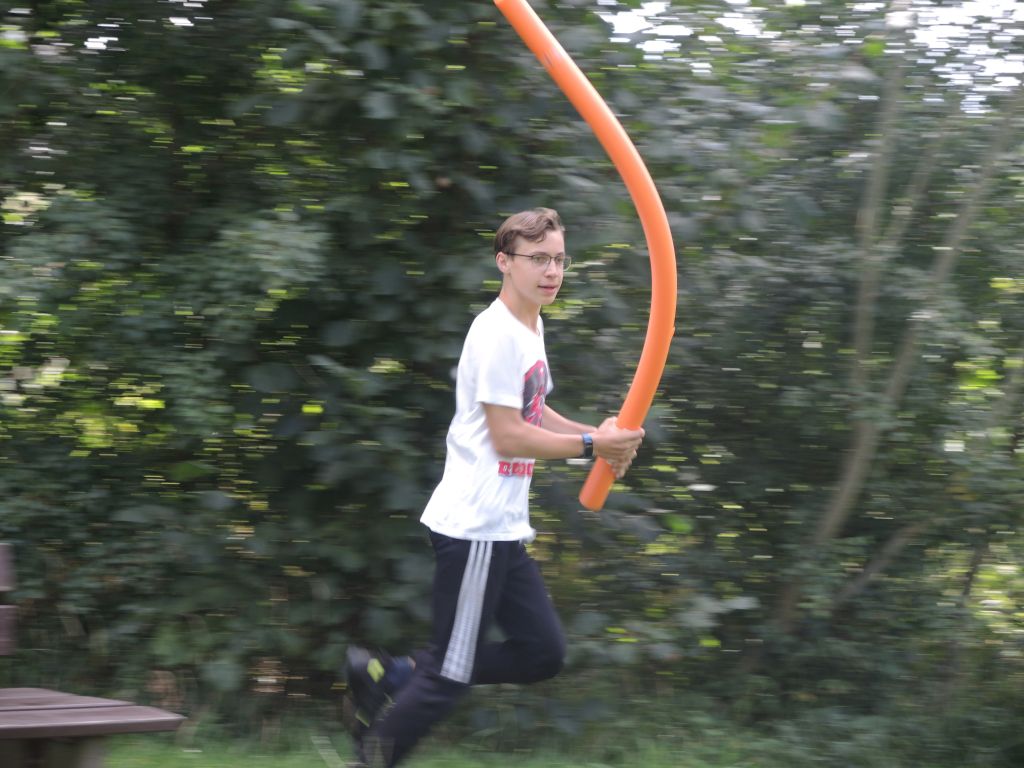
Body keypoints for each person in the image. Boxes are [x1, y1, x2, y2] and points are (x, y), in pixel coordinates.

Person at [343, 207, 645, 768]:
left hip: (503, 530)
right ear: (504, 262)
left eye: (559, 259)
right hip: (475, 527)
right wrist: (591, 447)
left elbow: (533, 409)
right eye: (538, 259)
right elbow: (508, 436)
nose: (552, 271)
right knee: (448, 678)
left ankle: (389, 674)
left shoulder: (531, 326)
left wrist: (598, 437)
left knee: (542, 653)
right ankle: (372, 758)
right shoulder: (496, 333)